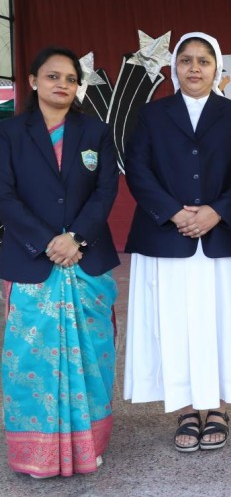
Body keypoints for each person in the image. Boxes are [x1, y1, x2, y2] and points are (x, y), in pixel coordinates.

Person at [123, 32, 231, 453]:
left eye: (204, 60)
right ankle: (184, 408)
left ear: (217, 68)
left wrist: (217, 211)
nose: (195, 68)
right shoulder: (152, 114)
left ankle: (217, 407)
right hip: (168, 234)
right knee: (174, 323)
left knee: (222, 322)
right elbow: (137, 168)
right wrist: (174, 212)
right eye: (186, 60)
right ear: (174, 67)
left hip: (222, 236)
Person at [0, 46, 120, 477]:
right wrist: (48, 242)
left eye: (71, 79)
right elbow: (3, 195)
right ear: (33, 82)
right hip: (30, 260)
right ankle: (36, 454)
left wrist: (75, 238)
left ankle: (89, 446)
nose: (62, 85)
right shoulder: (9, 133)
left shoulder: (96, 132)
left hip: (86, 260)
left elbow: (106, 190)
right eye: (53, 76)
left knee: (92, 358)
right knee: (30, 360)